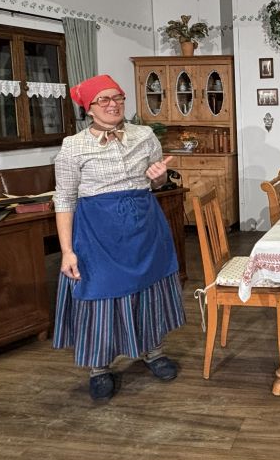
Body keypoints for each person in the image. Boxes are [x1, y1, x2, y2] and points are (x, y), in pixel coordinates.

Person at [53, 74, 185, 401]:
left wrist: (159, 177)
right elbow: (64, 198)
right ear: (89, 108)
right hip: (98, 232)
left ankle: (153, 351)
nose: (113, 104)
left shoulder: (144, 135)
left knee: (149, 288)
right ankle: (99, 367)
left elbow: (157, 181)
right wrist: (67, 251)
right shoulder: (73, 146)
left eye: (118, 97)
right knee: (100, 293)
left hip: (144, 225)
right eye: (104, 99)